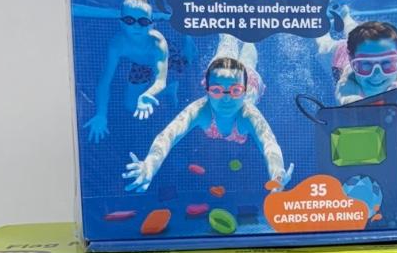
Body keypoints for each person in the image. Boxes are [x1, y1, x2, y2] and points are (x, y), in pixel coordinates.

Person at [123, 36, 291, 195]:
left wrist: (277, 174)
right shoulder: (201, 110)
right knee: (226, 46)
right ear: (207, 89)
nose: (226, 99)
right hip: (224, 74)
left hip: (248, 78)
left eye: (235, 91)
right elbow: (168, 136)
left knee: (248, 58)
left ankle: (246, 35)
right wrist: (150, 165)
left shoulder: (248, 115)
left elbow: (270, 145)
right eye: (217, 91)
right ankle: (229, 33)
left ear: (244, 90)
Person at [81, 0, 194, 142]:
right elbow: (105, 81)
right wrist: (101, 114)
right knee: (130, 105)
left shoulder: (158, 43)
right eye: (129, 20)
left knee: (188, 61)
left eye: (143, 21)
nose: (136, 26)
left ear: (151, 23)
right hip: (140, 64)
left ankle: (188, 37)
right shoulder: (117, 44)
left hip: (167, 57)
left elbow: (160, 80)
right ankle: (169, 90)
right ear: (121, 23)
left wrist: (148, 94)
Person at [318, 6, 397, 120]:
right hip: (340, 55)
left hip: (362, 49)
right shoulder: (348, 81)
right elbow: (351, 105)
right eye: (366, 64)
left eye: (386, 63)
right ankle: (319, 19)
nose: (377, 74)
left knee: (356, 33)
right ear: (352, 63)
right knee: (323, 45)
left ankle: (345, 15)